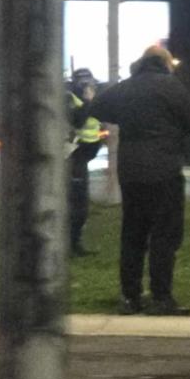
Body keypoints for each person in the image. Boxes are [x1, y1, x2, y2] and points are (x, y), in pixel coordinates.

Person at [90, 45, 190, 315]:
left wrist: (123, 119)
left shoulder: (126, 87)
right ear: (165, 63)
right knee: (164, 236)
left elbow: (97, 106)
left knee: (132, 235)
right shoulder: (170, 86)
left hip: (130, 172)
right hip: (164, 170)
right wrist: (174, 131)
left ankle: (130, 297)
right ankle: (161, 298)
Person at [66, 68, 104, 257]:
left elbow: (97, 125)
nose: (91, 87)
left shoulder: (90, 100)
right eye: (88, 84)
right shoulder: (69, 99)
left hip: (82, 157)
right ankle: (70, 245)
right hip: (71, 158)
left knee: (81, 205)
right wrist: (88, 101)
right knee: (75, 204)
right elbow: (78, 122)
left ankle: (74, 243)